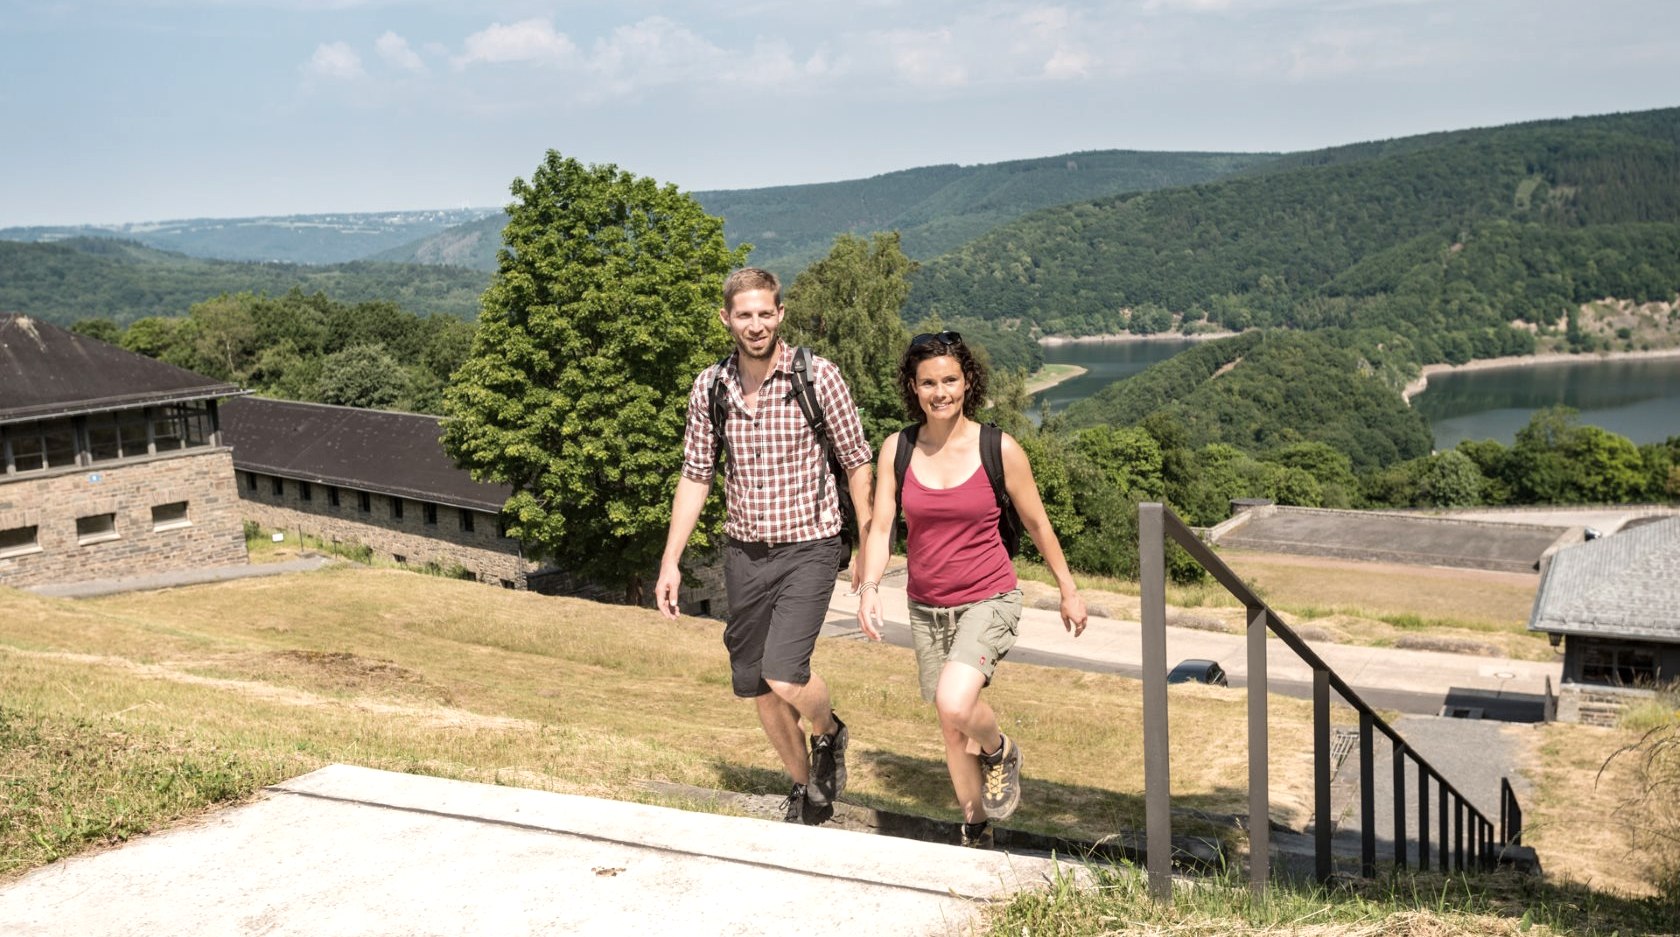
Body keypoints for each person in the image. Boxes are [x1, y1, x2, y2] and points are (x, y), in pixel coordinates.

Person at [656, 267, 874, 826]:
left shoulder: (817, 377)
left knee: (784, 672)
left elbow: (856, 461)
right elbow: (696, 474)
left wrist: (871, 543)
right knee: (758, 688)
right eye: (744, 314)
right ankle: (807, 791)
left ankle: (829, 733)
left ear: (781, 315)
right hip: (744, 552)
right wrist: (671, 560)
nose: (755, 325)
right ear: (726, 318)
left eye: (765, 313)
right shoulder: (710, 387)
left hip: (810, 544)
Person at [854, 330, 1087, 848]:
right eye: (929, 382)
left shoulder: (998, 447)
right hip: (927, 607)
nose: (941, 392)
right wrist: (870, 587)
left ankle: (1000, 748)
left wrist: (1068, 589)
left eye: (951, 380)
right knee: (950, 725)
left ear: (968, 382)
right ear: (913, 389)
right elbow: (883, 525)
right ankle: (975, 826)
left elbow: (1038, 525)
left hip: (988, 597)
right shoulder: (898, 448)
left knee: (956, 705)